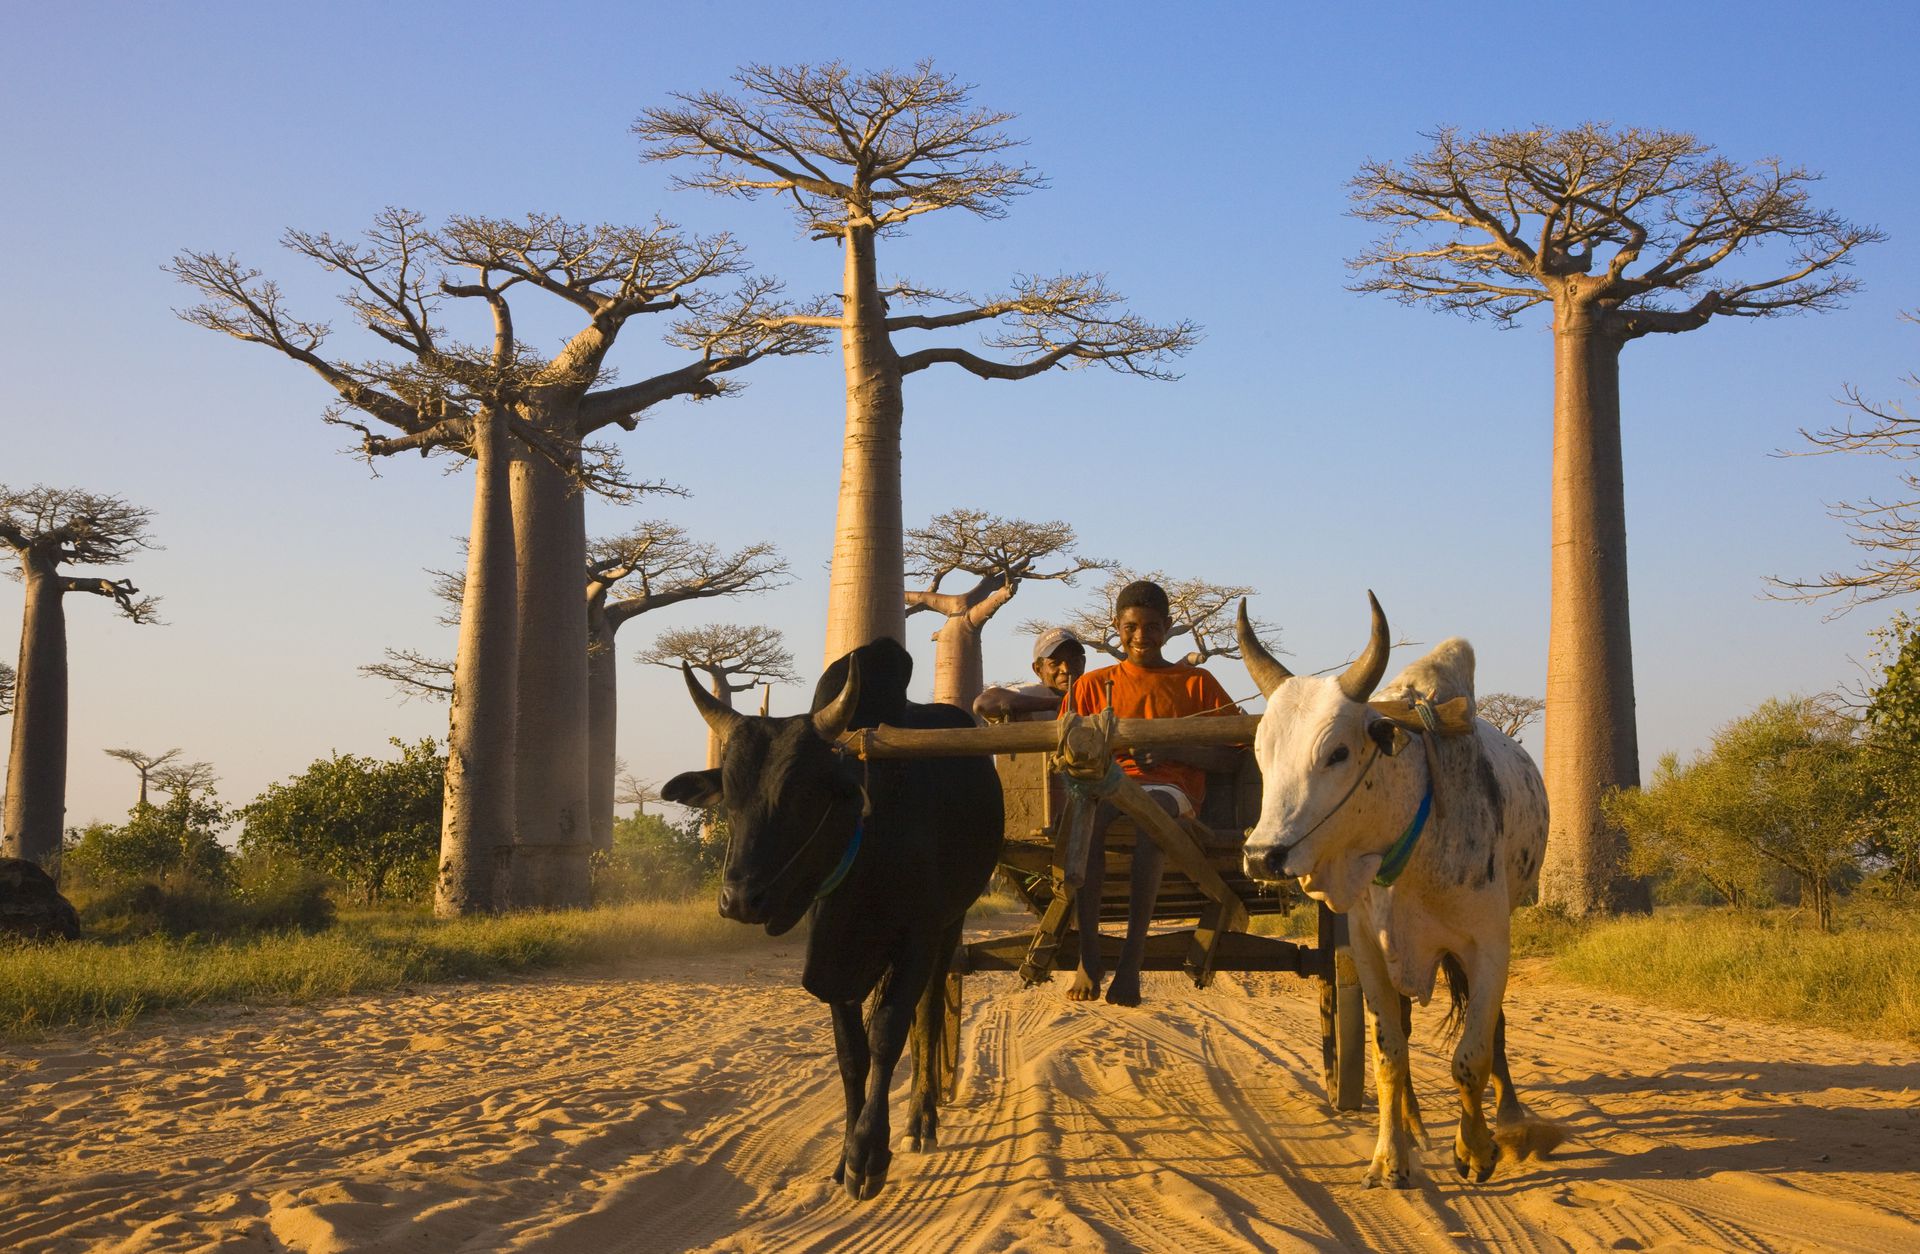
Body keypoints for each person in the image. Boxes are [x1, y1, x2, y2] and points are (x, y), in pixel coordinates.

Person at [1063, 580, 1240, 1006]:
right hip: (1103, 785)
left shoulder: (1196, 682)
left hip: (1170, 789)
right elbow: (1069, 750)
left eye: (1152, 627)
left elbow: (1235, 757)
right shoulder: (1091, 685)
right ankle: (1089, 953)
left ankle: (1131, 959)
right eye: (1131, 626)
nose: (1141, 636)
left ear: (1168, 628)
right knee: (1088, 822)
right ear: (1117, 627)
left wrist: (1171, 749)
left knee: (1151, 816)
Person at [973, 628, 1087, 722]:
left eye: (1073, 661)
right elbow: (983, 703)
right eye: (1054, 663)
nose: (1066, 669)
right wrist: (1057, 703)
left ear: (1083, 662)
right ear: (1038, 669)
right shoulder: (1031, 694)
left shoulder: (1095, 692)